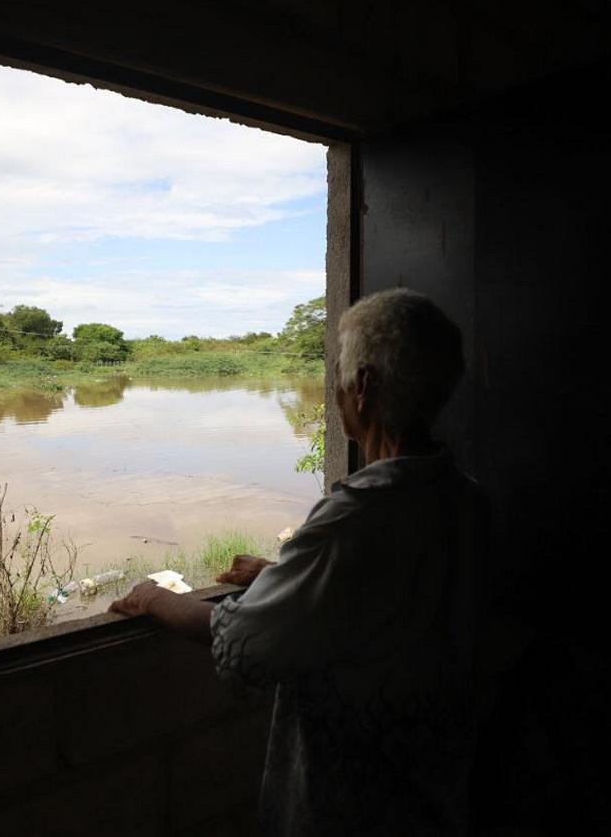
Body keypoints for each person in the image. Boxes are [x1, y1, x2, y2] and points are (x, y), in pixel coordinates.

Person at [109, 288, 485, 836]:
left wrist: (151, 598)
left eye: (340, 373)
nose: (334, 388)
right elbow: (381, 603)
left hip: (352, 800)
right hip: (439, 786)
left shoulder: (353, 518)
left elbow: (244, 641)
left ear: (364, 388)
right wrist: (282, 576)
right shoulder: (467, 500)